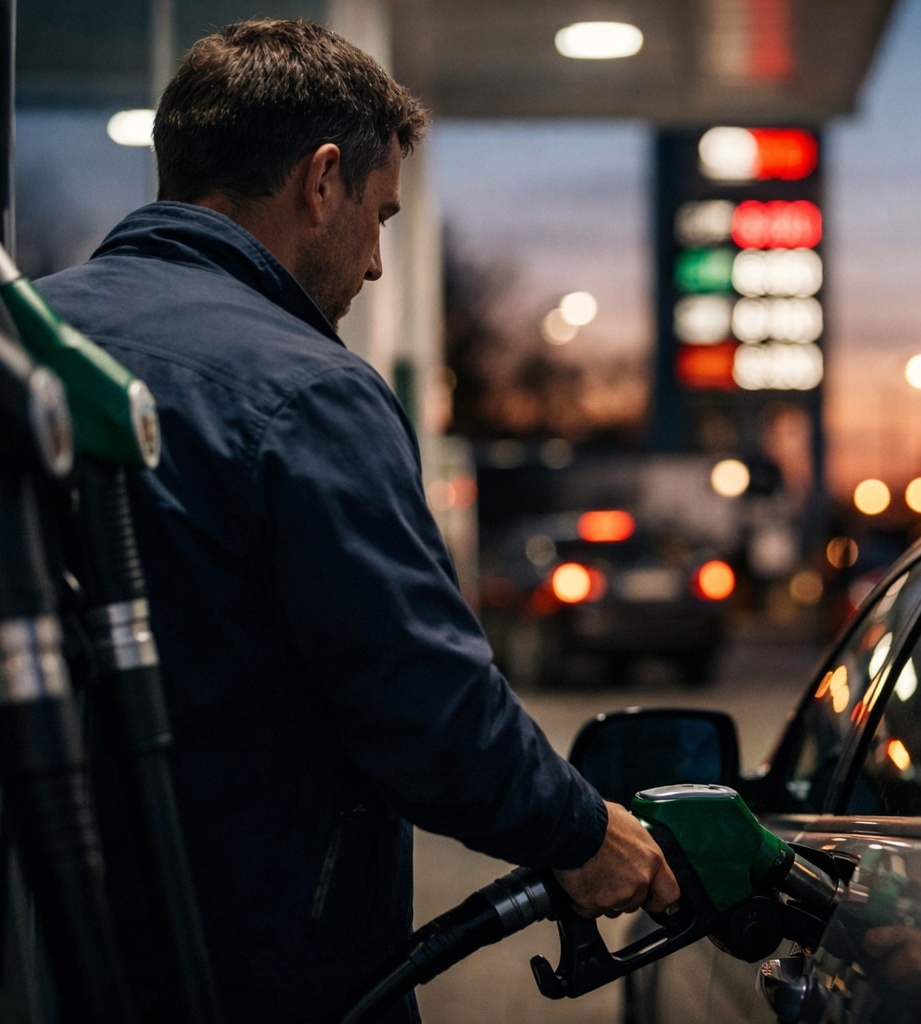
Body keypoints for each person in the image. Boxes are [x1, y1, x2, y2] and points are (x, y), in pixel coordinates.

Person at [37, 18, 678, 1023]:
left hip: (26, 941)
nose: (376, 264)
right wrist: (581, 830)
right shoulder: (306, 392)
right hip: (253, 965)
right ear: (321, 181)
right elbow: (422, 699)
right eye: (379, 216)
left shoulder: (15, 335)